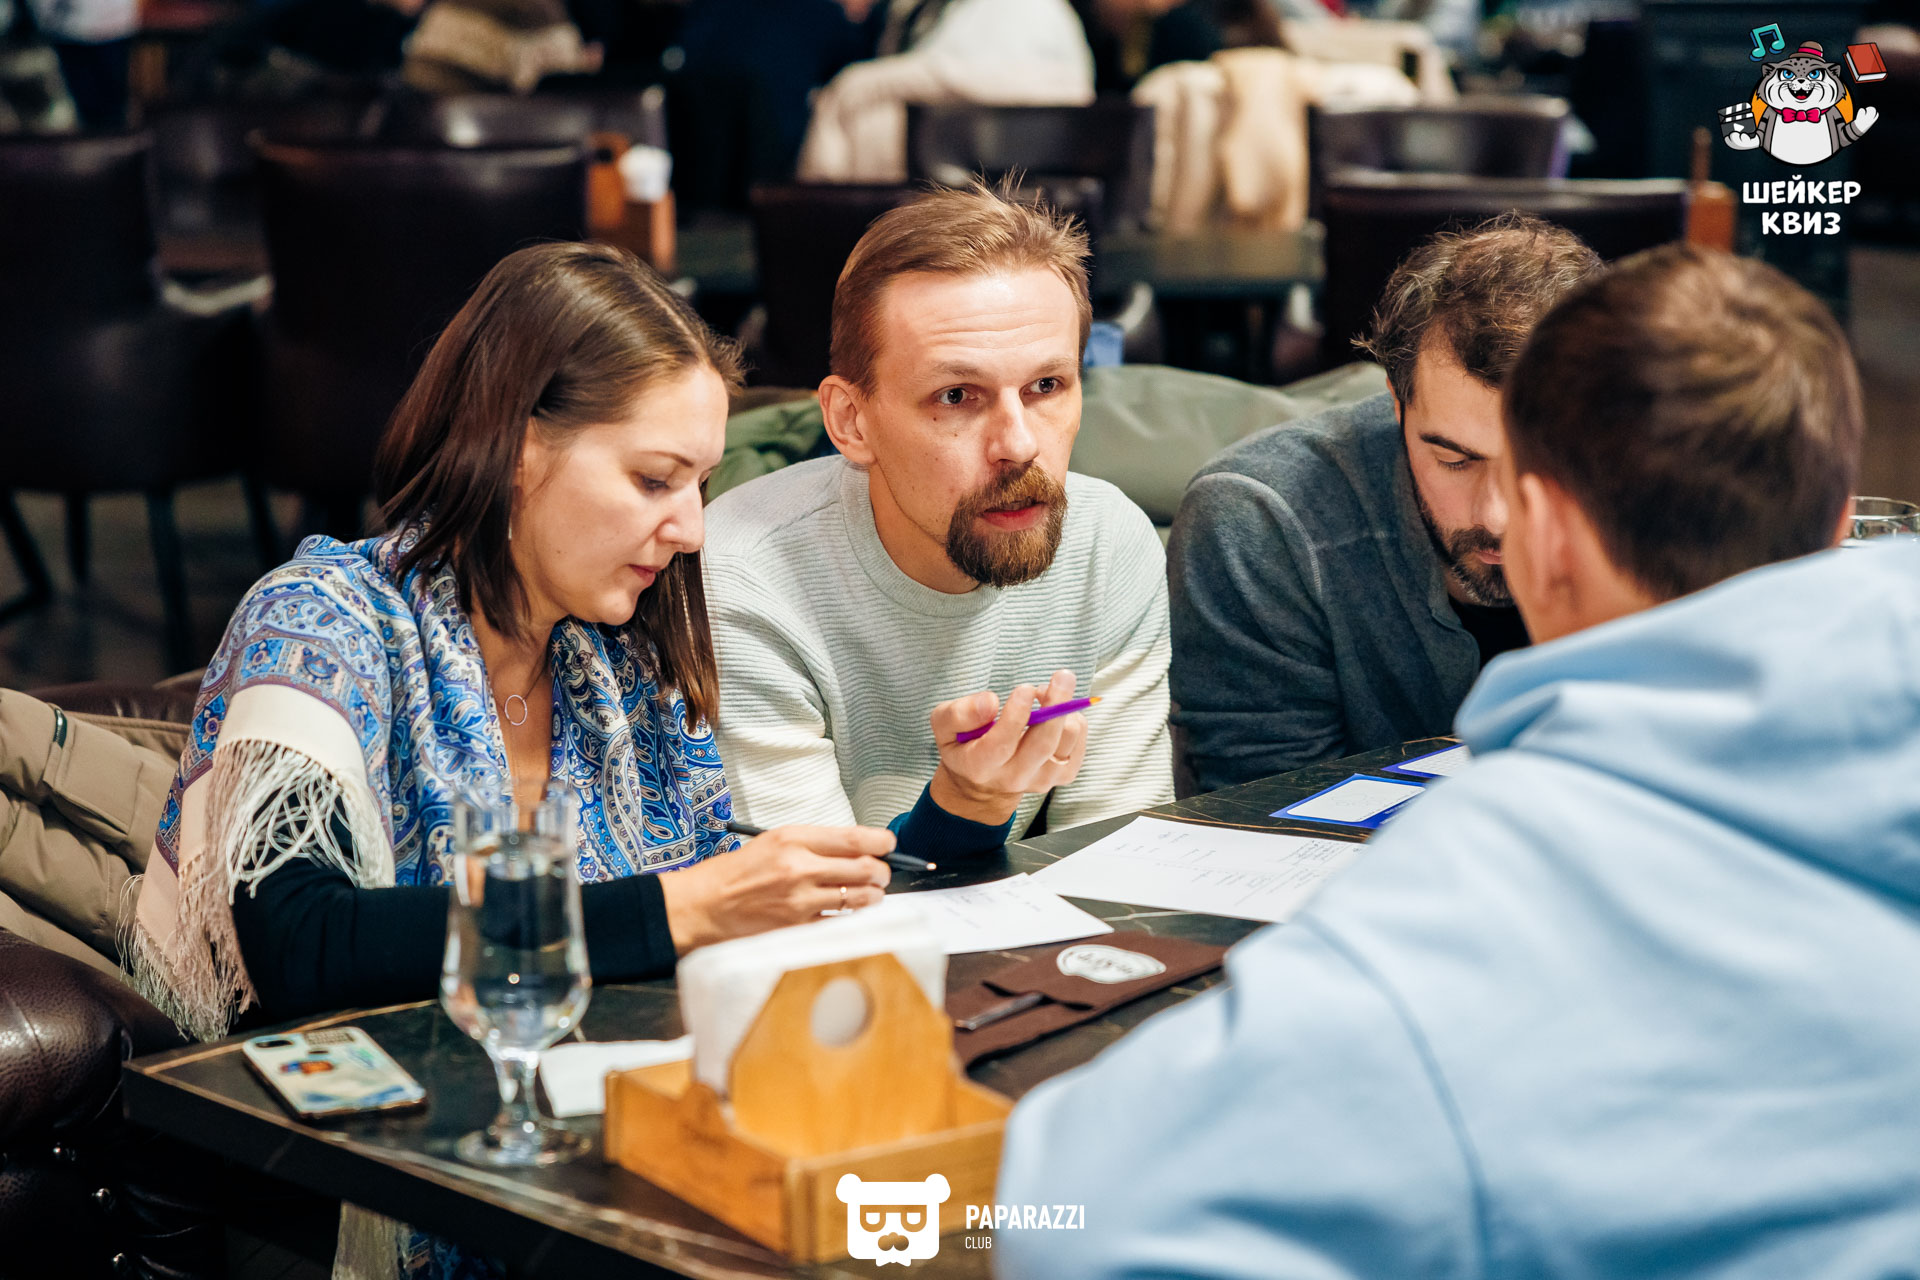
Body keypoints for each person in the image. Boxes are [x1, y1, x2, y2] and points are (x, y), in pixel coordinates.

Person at [994, 244, 1920, 1277]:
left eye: (1513, 477)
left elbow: (1078, 1210)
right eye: (1453, 458)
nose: (1488, 516)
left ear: (1547, 531)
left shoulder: (1449, 934)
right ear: (1844, 522)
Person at [126, 242, 896, 1052]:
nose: (692, 529)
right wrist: (684, 907)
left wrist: (951, 817)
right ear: (520, 452)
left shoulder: (620, 655)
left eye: (699, 486)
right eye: (654, 480)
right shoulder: (321, 619)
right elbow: (297, 944)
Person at [704, 185, 1173, 861]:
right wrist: (966, 810)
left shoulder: (1109, 543)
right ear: (851, 421)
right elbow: (816, 904)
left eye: (1046, 387)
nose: (1019, 444)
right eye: (956, 396)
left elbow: (1121, 869)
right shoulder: (742, 579)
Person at [1168, 214, 1600, 792]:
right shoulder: (1261, 519)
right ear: (1397, 405)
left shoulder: (1677, 496)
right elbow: (1269, 815)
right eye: (1454, 460)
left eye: (1536, 466)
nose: (1496, 516)